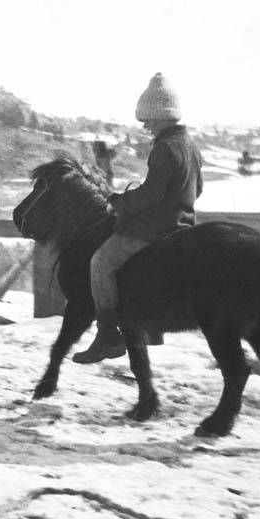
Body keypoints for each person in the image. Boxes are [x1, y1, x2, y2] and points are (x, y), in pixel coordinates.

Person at [72, 72, 204, 364]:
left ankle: (107, 334)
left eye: (148, 119)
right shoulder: (191, 146)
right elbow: (199, 189)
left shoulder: (165, 147)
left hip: (156, 227)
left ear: (161, 116)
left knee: (101, 262)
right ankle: (148, 329)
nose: (145, 125)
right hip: (183, 225)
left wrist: (120, 202)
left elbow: (151, 195)